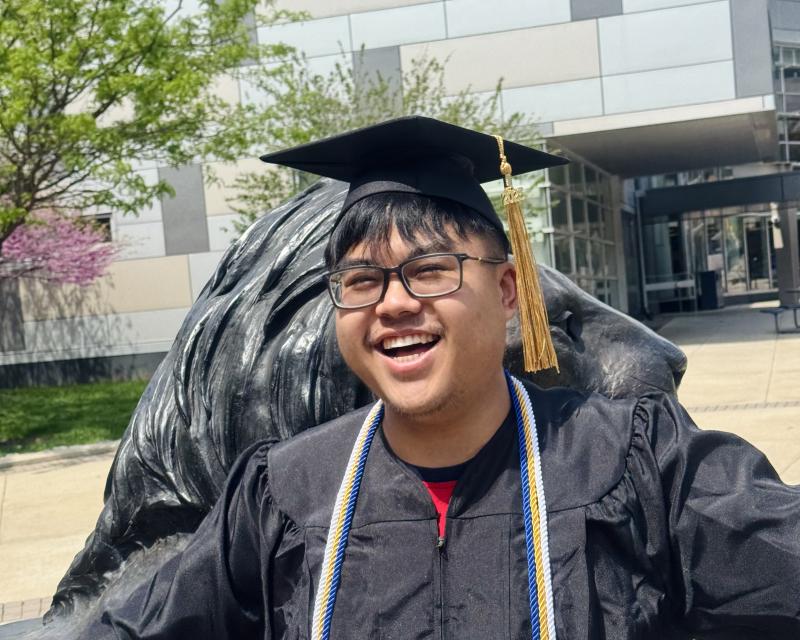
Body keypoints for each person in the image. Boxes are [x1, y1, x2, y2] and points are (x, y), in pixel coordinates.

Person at [88, 117, 800, 639]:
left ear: (508, 291)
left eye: (431, 271)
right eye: (361, 280)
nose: (395, 304)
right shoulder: (281, 494)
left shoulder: (642, 464)